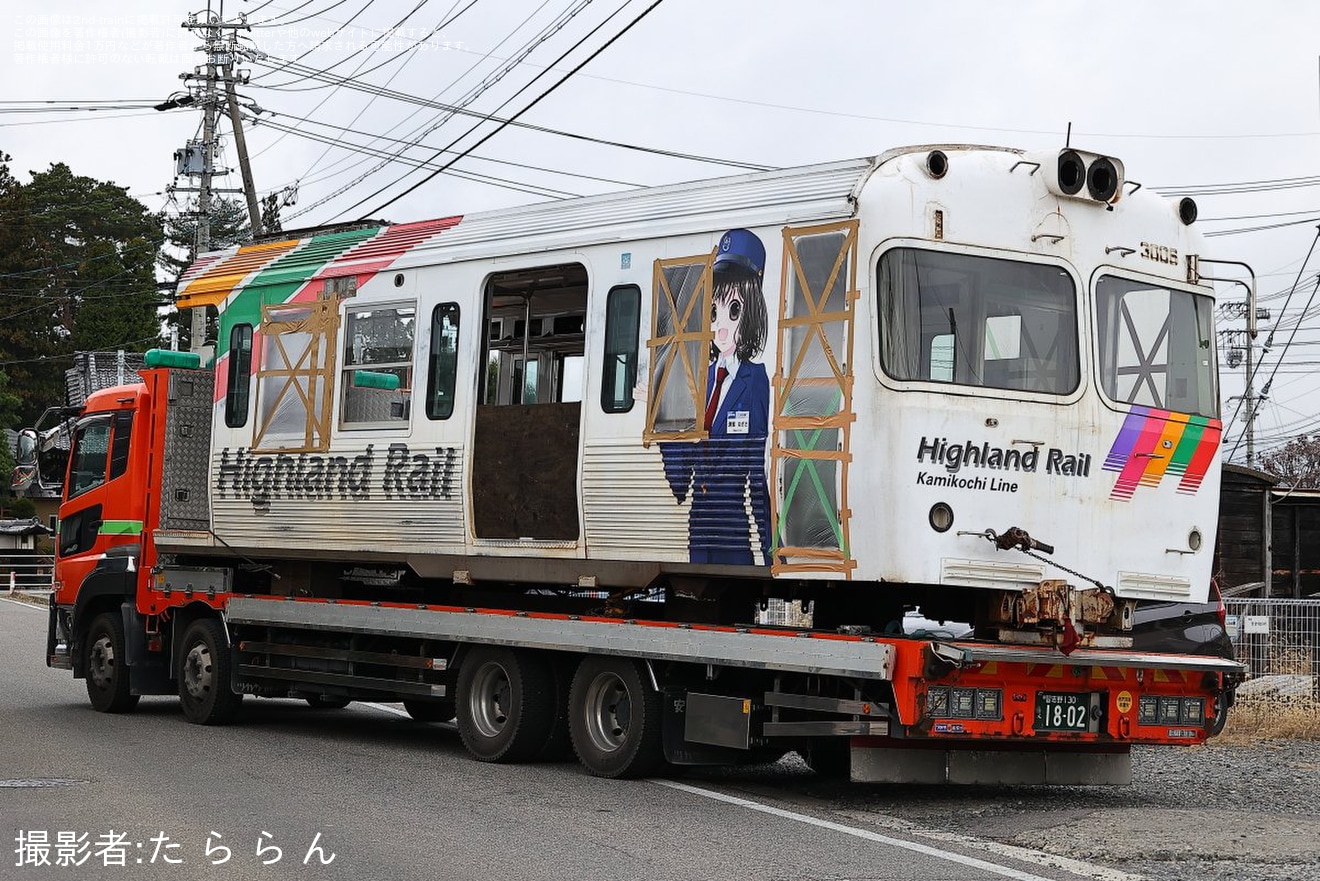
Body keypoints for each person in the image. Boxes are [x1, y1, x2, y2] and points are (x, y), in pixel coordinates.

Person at [661, 228, 771, 565]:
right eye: (713, 312)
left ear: (750, 313)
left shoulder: (756, 380)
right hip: (699, 529)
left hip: (733, 529)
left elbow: (756, 472)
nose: (720, 326)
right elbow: (679, 484)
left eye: (733, 311)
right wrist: (665, 416)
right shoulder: (698, 381)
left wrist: (771, 552)